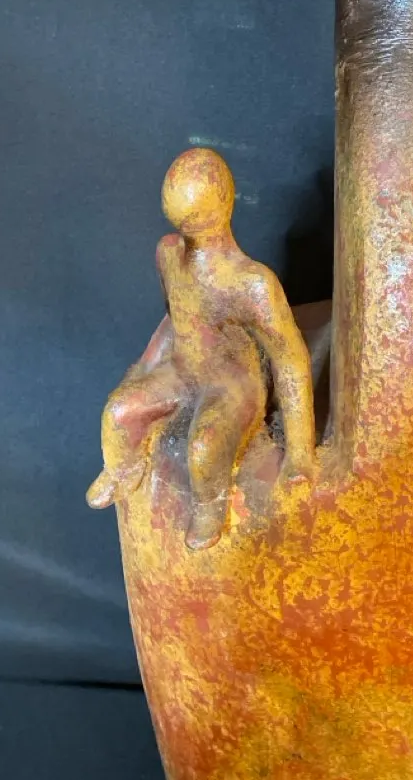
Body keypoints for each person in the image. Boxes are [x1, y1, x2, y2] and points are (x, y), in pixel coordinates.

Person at [86, 147, 315, 550]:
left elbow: (289, 358)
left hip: (232, 383)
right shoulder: (169, 254)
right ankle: (123, 470)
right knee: (118, 413)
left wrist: (300, 453)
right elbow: (174, 318)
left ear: (222, 201)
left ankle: (210, 505)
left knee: (205, 448)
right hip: (183, 369)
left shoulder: (251, 283)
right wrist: (146, 366)